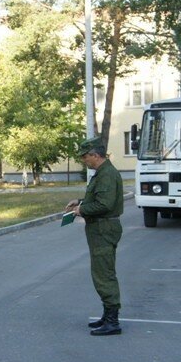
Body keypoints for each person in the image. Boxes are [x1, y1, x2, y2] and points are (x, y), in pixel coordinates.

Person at [65, 137, 125, 336]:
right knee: (102, 272)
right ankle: (107, 315)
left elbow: (104, 205)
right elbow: (100, 198)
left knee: (103, 274)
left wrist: (81, 210)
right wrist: (80, 201)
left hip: (103, 229)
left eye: (85, 157)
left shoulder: (106, 174)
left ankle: (112, 321)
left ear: (95, 155)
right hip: (100, 228)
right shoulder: (102, 173)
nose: (84, 160)